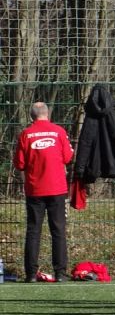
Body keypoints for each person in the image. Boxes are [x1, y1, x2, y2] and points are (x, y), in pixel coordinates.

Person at [13, 102, 73, 282]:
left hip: (34, 189)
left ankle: (31, 274)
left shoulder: (26, 134)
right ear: (47, 114)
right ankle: (60, 273)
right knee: (58, 230)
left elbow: (20, 164)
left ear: (32, 116)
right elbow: (68, 157)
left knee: (33, 230)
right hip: (57, 189)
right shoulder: (59, 132)